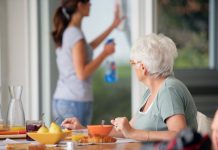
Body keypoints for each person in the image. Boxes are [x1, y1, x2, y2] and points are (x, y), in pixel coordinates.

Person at [61, 33, 198, 141]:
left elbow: (180, 134)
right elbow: (127, 131)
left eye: (132, 62)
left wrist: (132, 132)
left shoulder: (169, 90)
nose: (132, 67)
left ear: (143, 67)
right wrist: (83, 129)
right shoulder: (150, 93)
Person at [51, 0, 124, 126]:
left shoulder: (70, 32)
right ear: (80, 5)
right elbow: (82, 74)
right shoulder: (75, 34)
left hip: (64, 99)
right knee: (80, 144)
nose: (91, 5)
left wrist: (113, 25)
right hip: (75, 101)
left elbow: (87, 48)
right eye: (88, 2)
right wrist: (105, 53)